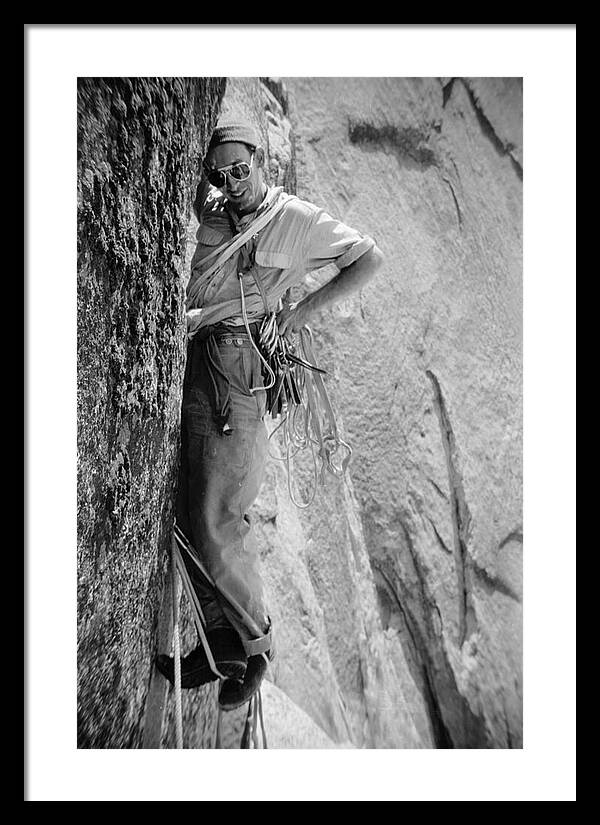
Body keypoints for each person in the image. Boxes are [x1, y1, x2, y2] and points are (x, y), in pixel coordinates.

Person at [156, 119, 384, 711]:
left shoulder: (295, 219)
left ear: (262, 162)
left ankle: (254, 649)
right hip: (202, 351)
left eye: (240, 170)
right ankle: (220, 645)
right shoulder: (213, 212)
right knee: (189, 500)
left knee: (222, 510)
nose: (231, 183)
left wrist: (299, 313)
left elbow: (368, 257)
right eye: (220, 175)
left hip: (237, 363)